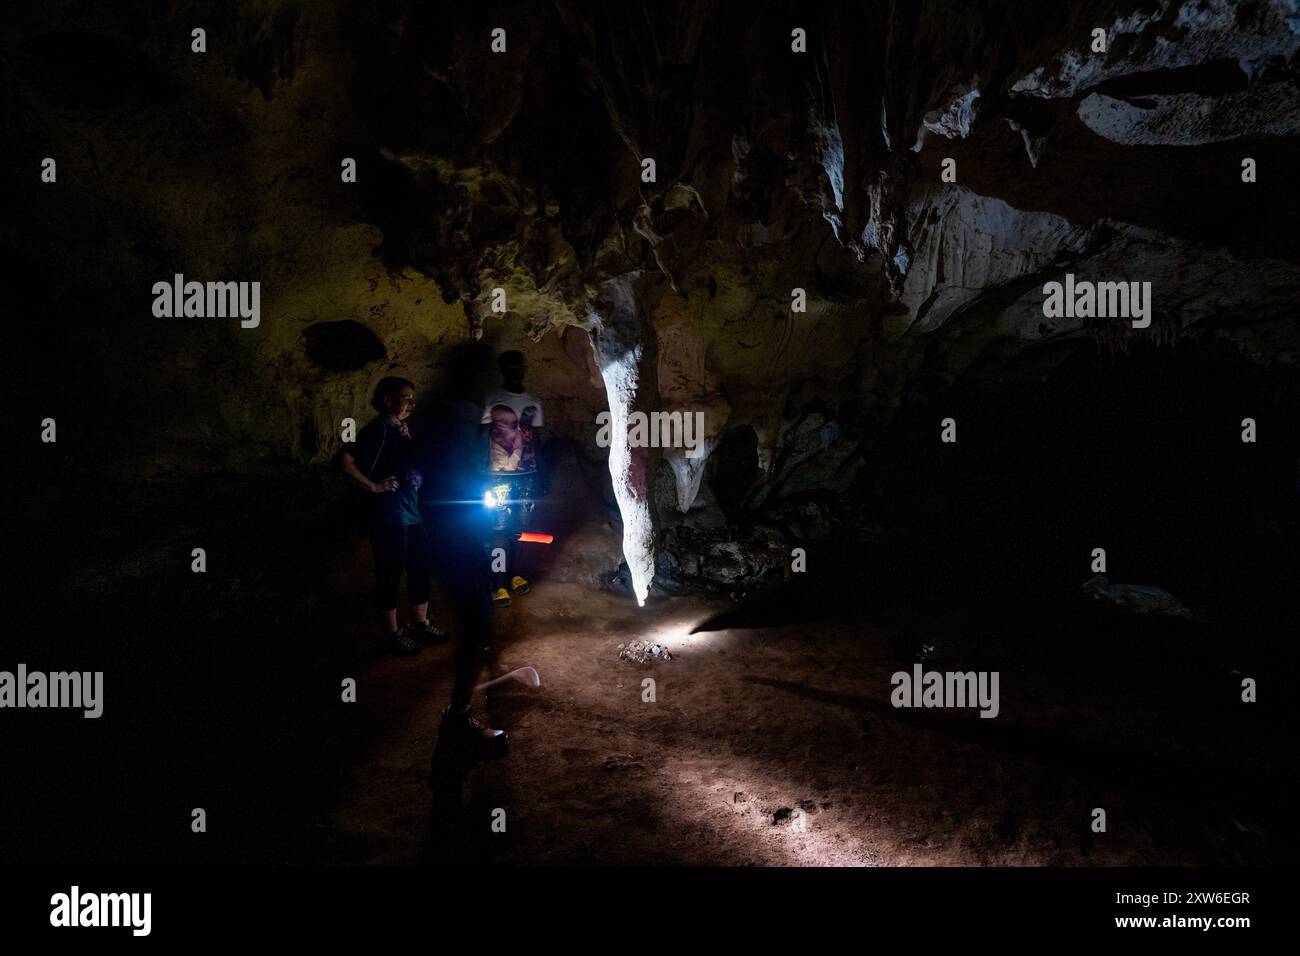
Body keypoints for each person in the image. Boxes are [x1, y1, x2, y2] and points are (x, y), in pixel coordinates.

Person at [414, 371, 508, 761]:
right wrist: (483, 520)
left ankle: (459, 715)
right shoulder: (455, 421)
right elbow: (457, 482)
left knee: (477, 624)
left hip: (452, 539)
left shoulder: (444, 417)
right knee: (476, 626)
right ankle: (457, 722)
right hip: (456, 540)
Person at [338, 377, 447, 655]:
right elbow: (344, 461)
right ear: (388, 400)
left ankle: (420, 625)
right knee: (389, 574)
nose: (411, 403)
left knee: (420, 568)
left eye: (412, 398)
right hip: (387, 516)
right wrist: (375, 486)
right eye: (406, 397)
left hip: (411, 513)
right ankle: (391, 635)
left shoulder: (402, 429)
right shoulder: (377, 429)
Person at [481, 350, 547, 607]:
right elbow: (482, 435)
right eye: (509, 367)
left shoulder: (533, 402)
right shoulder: (492, 398)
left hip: (527, 475)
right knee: (498, 529)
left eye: (518, 367)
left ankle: (515, 574)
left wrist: (541, 472)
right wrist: (479, 470)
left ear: (524, 368)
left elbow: (537, 439)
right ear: (502, 370)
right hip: (498, 475)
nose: (514, 371)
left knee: (519, 529)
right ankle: (498, 583)